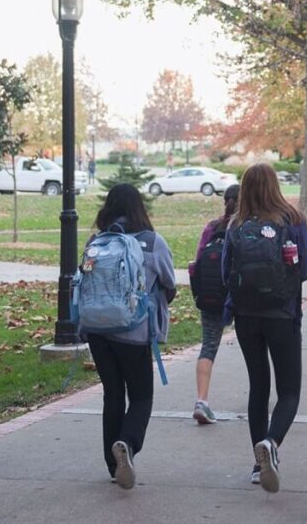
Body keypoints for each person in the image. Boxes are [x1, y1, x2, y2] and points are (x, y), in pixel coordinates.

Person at [222, 163, 307, 493]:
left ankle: (258, 465)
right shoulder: (294, 220)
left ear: (245, 188)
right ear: (275, 185)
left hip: (246, 317)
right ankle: (271, 443)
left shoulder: (236, 224)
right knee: (289, 391)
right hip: (283, 314)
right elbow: (305, 270)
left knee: (258, 387)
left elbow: (225, 274)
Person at [85, 183, 176, 490]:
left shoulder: (97, 242)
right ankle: (127, 443)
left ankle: (113, 467)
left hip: (97, 330)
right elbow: (169, 284)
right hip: (134, 332)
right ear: (139, 207)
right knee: (141, 396)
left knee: (112, 394)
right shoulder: (152, 242)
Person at [190, 184, 240, 425]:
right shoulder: (247, 228)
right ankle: (261, 397)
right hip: (242, 296)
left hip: (212, 296)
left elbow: (197, 263)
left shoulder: (212, 227)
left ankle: (202, 400)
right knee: (257, 348)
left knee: (208, 346)